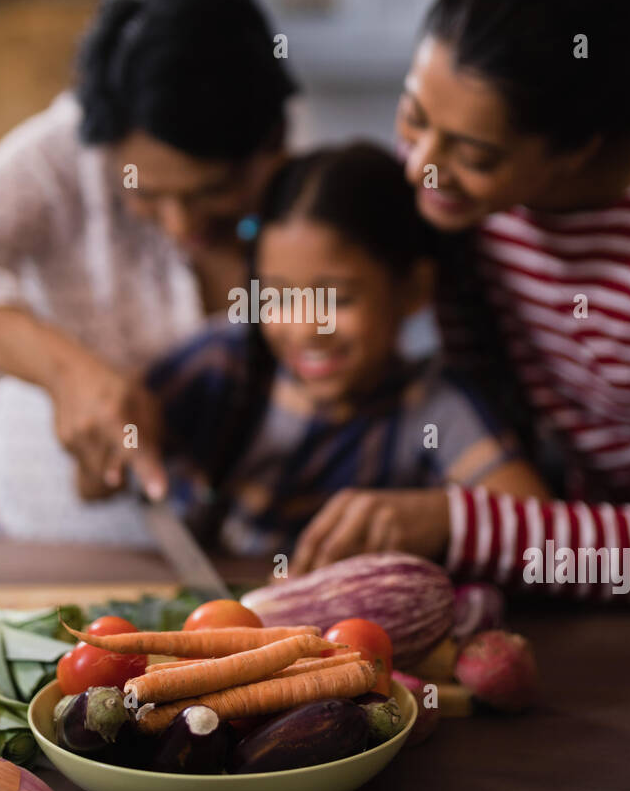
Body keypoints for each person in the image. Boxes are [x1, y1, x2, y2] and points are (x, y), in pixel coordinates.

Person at [289, 0, 630, 602]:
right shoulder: (449, 196)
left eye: (474, 154)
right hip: (555, 562)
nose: (421, 165)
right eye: (412, 116)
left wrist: (459, 524)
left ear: (579, 145)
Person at [0, 0, 297, 543]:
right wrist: (69, 373)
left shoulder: (301, 191)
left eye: (210, 192)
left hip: (213, 568)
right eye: (144, 192)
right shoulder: (68, 150)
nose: (180, 225)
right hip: (12, 536)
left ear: (270, 145)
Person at [144, 143, 548, 557]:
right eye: (278, 297)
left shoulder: (434, 408)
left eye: (337, 299)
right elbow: (111, 454)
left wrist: (446, 518)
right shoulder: (220, 362)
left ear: (413, 291)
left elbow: (544, 540)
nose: (305, 329)